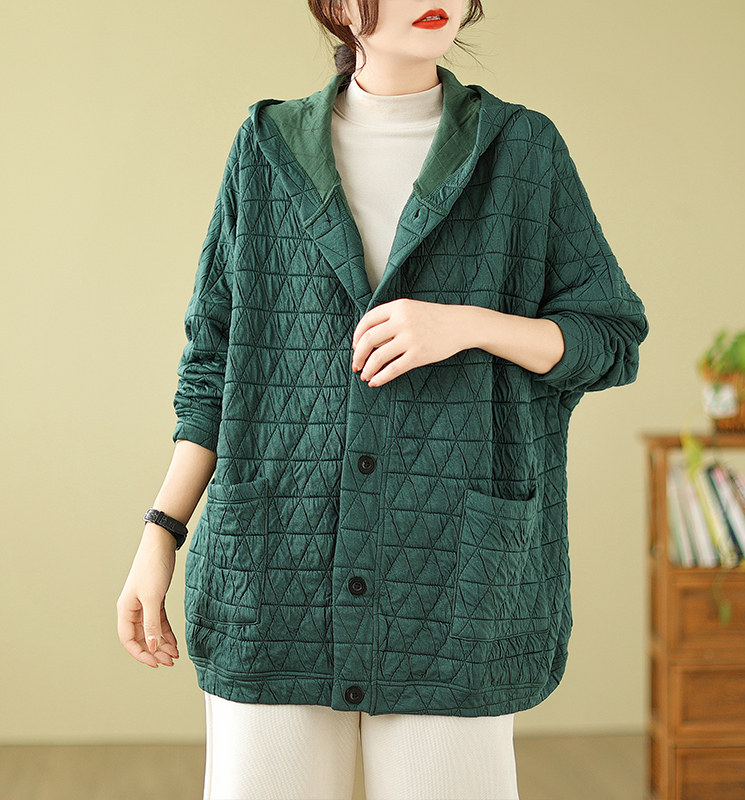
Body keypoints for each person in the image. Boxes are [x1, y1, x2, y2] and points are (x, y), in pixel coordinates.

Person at [117, 1, 650, 798]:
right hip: (276, 565)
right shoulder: (266, 148)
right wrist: (161, 532)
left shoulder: (521, 150)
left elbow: (609, 338)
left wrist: (468, 325)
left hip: (454, 577)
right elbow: (214, 364)